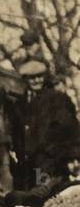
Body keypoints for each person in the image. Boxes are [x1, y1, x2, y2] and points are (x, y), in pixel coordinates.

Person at [14, 60, 80, 190]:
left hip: (51, 159)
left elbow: (69, 129)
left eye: (40, 76)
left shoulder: (57, 99)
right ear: (25, 79)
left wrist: (73, 156)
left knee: (47, 191)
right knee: (31, 196)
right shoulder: (20, 103)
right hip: (27, 161)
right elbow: (17, 130)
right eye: (32, 78)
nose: (37, 81)